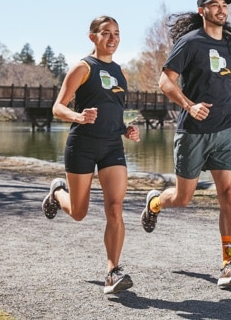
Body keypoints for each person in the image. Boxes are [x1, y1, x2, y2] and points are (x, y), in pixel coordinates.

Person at [140, 0, 231, 288]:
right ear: (202, 10)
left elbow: (228, 76)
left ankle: (228, 264)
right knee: (183, 197)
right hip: (193, 132)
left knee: (228, 193)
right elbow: (165, 81)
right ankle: (155, 204)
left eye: (224, 4)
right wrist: (189, 105)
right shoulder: (189, 43)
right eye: (214, 5)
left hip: (225, 129)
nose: (221, 9)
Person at [42, 15, 141, 295]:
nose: (112, 38)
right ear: (92, 37)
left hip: (112, 146)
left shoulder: (121, 72)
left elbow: (113, 111)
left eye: (117, 33)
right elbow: (57, 107)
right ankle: (58, 193)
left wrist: (126, 130)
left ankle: (113, 272)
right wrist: (78, 116)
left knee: (115, 207)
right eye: (106, 33)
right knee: (78, 212)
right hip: (82, 144)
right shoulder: (83, 68)